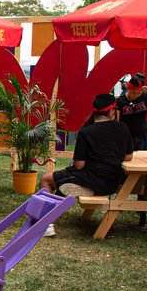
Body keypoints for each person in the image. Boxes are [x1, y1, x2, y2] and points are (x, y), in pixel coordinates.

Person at [40, 93, 133, 236]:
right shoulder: (123, 128)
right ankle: (84, 190)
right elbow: (128, 156)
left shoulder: (86, 132)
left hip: (91, 178)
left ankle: (45, 224)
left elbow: (79, 165)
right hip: (112, 181)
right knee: (62, 180)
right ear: (112, 111)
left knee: (46, 179)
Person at [116, 72, 147, 151]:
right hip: (127, 135)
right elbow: (116, 120)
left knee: (142, 157)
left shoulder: (145, 97)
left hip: (142, 134)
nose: (135, 95)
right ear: (129, 88)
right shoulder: (120, 100)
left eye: (138, 93)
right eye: (133, 93)